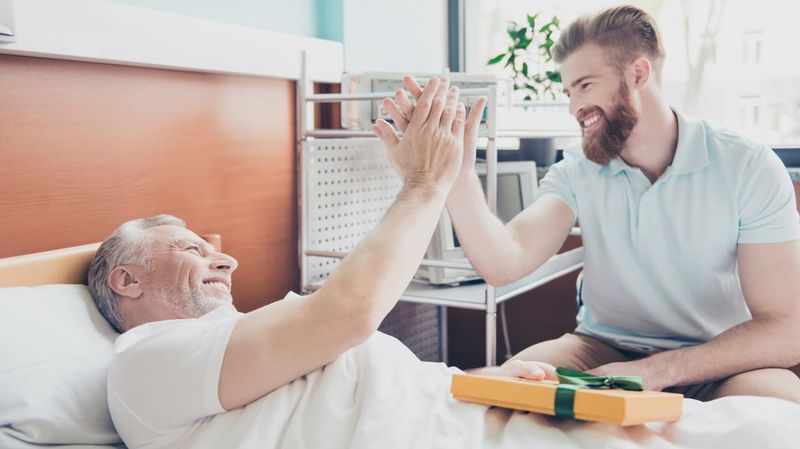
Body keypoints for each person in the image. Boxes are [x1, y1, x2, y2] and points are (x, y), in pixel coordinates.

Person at [87, 77, 555, 449]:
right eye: (192, 250)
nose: (227, 261)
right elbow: (348, 317)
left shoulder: (247, 344)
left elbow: (353, 392)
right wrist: (426, 180)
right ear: (127, 280)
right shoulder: (144, 364)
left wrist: (479, 383)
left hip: (475, 417)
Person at [377, 5, 800, 403]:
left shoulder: (747, 165)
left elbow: (787, 329)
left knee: (779, 403)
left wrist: (657, 372)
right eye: (568, 91)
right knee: (510, 384)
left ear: (637, 73)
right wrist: (456, 175)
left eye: (585, 86)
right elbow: (504, 262)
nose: (574, 107)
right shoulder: (578, 167)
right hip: (600, 353)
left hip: (718, 361)